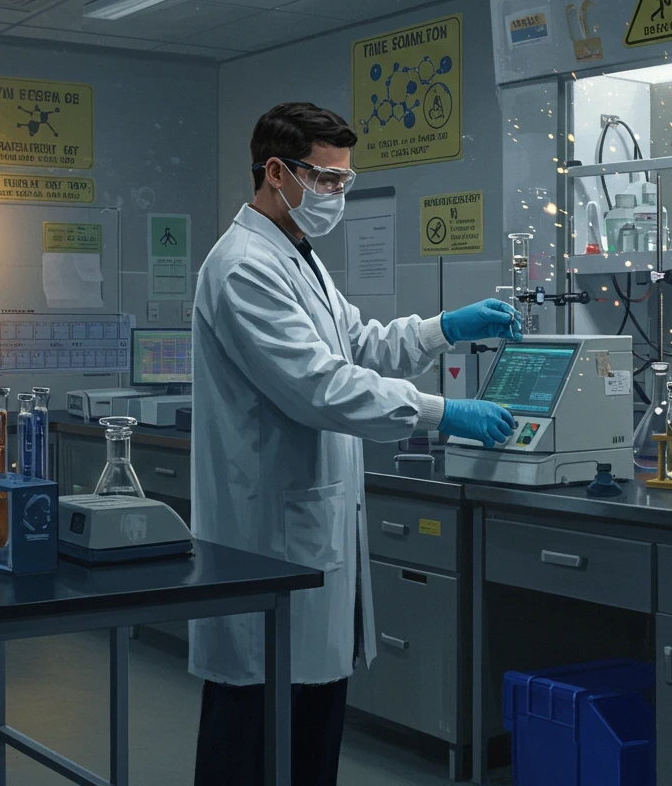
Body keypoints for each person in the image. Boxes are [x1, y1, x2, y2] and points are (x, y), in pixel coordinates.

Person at [189, 102, 517, 786]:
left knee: (308, 736)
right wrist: (441, 412)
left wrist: (444, 328)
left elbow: (361, 344)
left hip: (304, 536)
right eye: (326, 179)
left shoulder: (297, 258)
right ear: (277, 172)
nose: (336, 195)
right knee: (252, 739)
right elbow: (321, 385)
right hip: (266, 539)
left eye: (344, 181)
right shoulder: (244, 266)